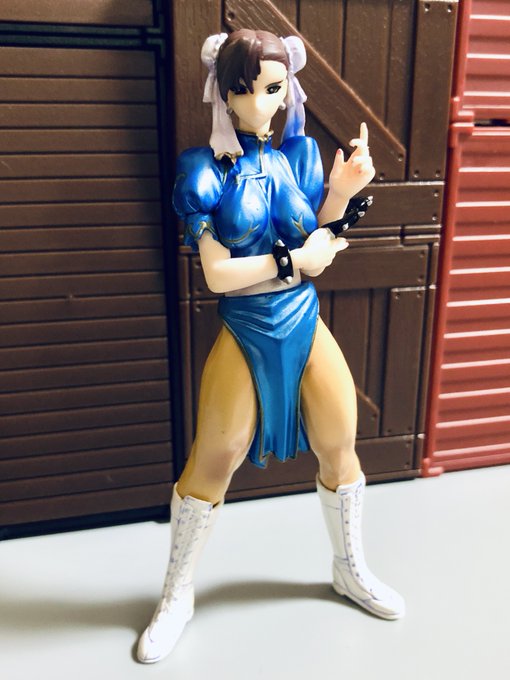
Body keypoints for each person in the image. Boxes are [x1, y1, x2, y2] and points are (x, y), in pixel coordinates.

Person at [137, 29, 405, 664]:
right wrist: (293, 262)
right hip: (246, 323)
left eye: (273, 88)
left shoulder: (298, 157)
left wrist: (341, 193)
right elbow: (216, 274)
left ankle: (349, 567)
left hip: (303, 318)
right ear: (224, 93)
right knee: (216, 454)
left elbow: (320, 240)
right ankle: (176, 592)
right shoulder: (203, 170)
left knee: (340, 440)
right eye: (245, 90)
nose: (261, 102)